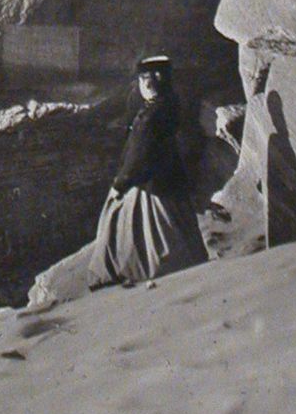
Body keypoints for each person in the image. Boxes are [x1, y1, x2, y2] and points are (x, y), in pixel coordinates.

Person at [87, 55, 207, 290]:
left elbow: (138, 155)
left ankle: (142, 275)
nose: (141, 86)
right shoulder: (170, 106)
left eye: (143, 80)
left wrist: (120, 184)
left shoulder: (149, 117)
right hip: (173, 181)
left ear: (148, 83)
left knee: (129, 232)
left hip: (150, 187)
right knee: (179, 231)